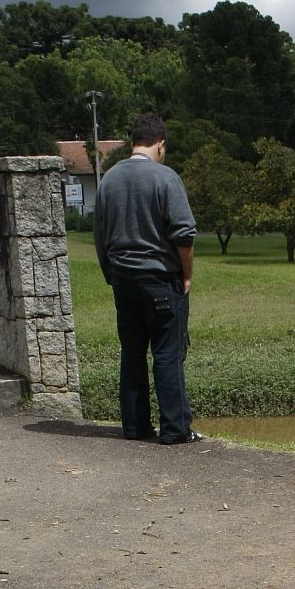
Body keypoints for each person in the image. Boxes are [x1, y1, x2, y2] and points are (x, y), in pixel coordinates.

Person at [93, 113, 203, 445]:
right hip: (159, 278)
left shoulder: (109, 180)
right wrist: (187, 274)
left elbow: (100, 235)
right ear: (161, 144)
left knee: (132, 352)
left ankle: (135, 426)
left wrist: (110, 273)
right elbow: (184, 234)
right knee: (168, 353)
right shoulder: (165, 178)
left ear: (132, 142)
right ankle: (175, 429)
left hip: (123, 278)